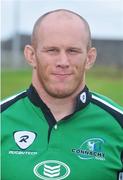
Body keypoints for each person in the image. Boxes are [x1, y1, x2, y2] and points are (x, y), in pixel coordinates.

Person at [1, 9, 123, 180]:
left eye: (73, 51)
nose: (63, 62)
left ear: (89, 58)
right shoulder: (3, 118)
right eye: (52, 50)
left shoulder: (119, 124)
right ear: (31, 55)